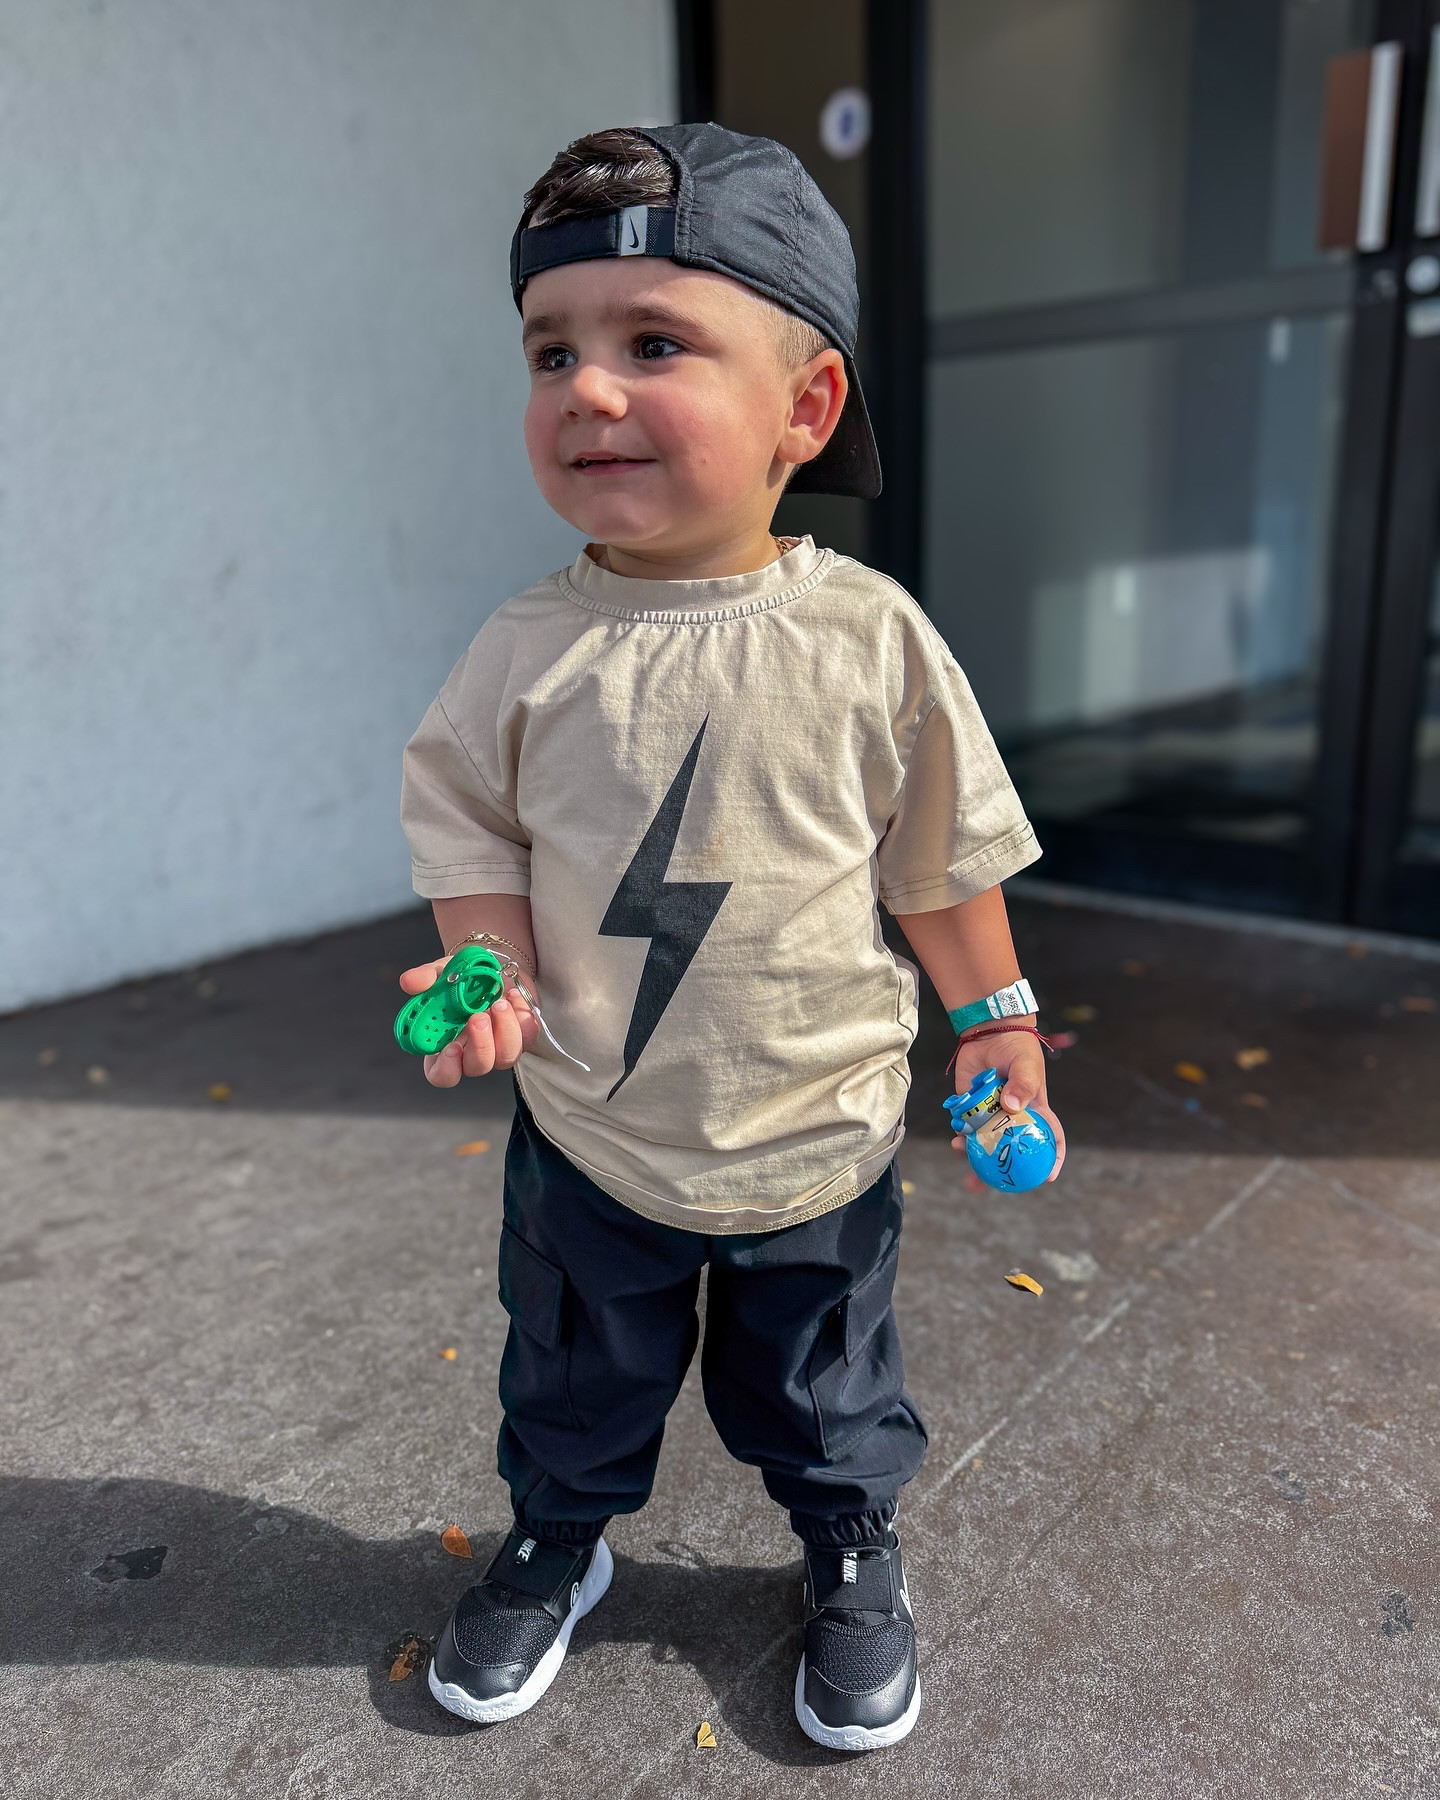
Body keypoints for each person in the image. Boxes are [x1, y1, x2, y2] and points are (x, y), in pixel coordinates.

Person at [398, 123, 1064, 1753]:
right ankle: (563, 1536)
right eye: (553, 348)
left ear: (805, 409)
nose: (588, 390)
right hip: (592, 1127)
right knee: (571, 1378)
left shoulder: (866, 637)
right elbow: (468, 822)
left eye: (654, 344)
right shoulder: (526, 648)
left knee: (827, 1391)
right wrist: (482, 962)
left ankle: (848, 1546)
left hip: (813, 1132)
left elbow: (942, 864)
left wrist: (1003, 1026)